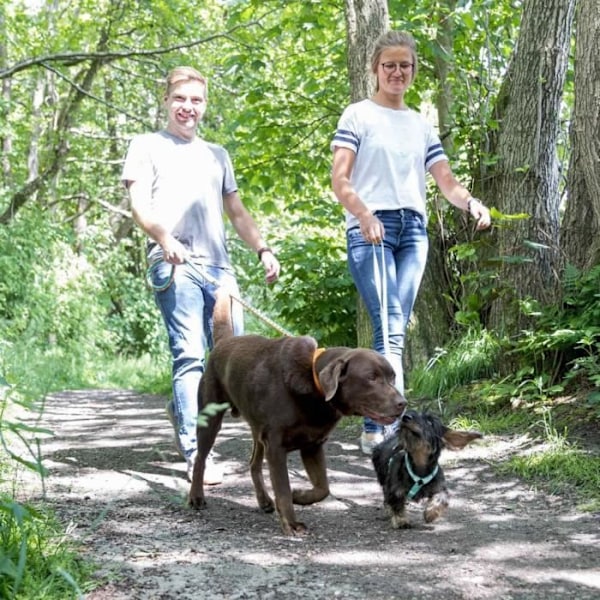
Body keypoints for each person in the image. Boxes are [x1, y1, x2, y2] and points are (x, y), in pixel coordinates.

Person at [330, 31, 491, 455]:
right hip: (371, 229)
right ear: (375, 70)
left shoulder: (420, 123)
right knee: (390, 327)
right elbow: (339, 179)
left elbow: (446, 182)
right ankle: (386, 428)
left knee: (394, 329)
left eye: (405, 65)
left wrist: (471, 203)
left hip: (413, 231)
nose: (397, 72)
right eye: (389, 65)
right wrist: (363, 214)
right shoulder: (357, 115)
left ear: (414, 70)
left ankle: (376, 425)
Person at [121, 66, 280, 482]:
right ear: (167, 100)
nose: (187, 107)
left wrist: (262, 248)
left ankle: (189, 412)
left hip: (220, 269)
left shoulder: (217, 155)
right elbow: (139, 204)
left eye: (196, 100)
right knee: (190, 355)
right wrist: (163, 237)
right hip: (173, 263)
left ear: (205, 105)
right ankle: (196, 455)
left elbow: (237, 212)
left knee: (239, 362)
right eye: (180, 99)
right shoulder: (146, 145)